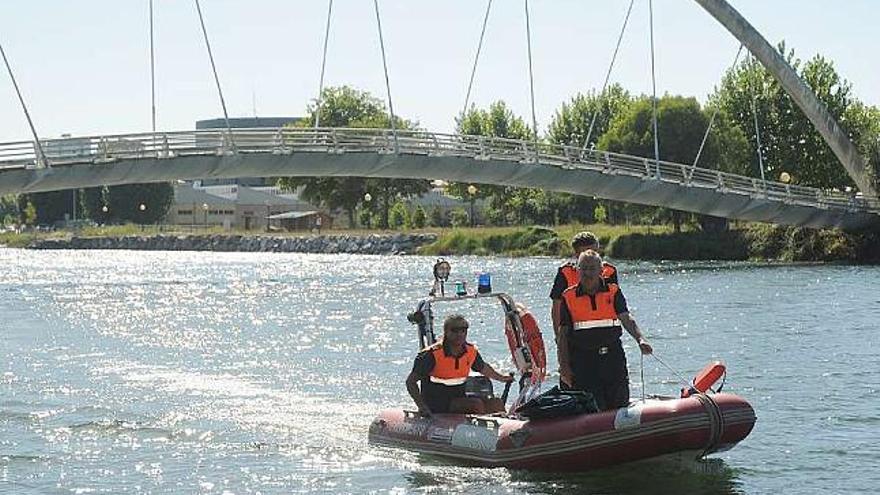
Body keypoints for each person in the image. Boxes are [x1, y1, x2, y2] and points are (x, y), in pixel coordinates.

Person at [556, 250, 652, 411]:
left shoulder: (613, 291)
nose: (588, 273)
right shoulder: (568, 296)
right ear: (578, 270)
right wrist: (564, 366)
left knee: (619, 403)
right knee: (592, 406)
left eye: (592, 268)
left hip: (612, 358)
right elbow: (563, 335)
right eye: (584, 268)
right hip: (583, 360)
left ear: (601, 270)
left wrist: (640, 339)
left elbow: (626, 318)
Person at [406, 314, 514, 416]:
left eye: (463, 330)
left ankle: (503, 430)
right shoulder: (430, 355)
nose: (460, 334)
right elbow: (410, 382)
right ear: (446, 332)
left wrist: (502, 378)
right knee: (475, 404)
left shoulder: (470, 351)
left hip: (459, 398)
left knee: (496, 403)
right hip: (435, 403)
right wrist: (422, 407)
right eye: (455, 330)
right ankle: (482, 432)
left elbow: (483, 368)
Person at [550, 232, 618, 356]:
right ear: (576, 255)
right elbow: (556, 309)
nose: (590, 257)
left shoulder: (609, 271)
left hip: (606, 338)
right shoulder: (566, 273)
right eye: (585, 253)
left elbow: (617, 305)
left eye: (594, 252)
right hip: (575, 338)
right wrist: (559, 339)